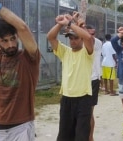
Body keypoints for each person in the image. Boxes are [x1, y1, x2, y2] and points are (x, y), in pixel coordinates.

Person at [0, 1, 41, 141]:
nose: (11, 44)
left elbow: (23, 27)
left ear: (17, 36)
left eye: (13, 38)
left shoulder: (29, 57)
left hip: (22, 127)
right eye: (5, 41)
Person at [47, 12, 94, 141]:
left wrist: (70, 23)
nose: (73, 41)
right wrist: (60, 24)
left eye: (76, 38)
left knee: (81, 135)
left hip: (83, 99)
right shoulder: (65, 52)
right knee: (64, 135)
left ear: (81, 39)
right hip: (67, 99)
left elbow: (88, 38)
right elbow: (51, 37)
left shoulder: (87, 53)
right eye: (71, 38)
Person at [85, 24, 102, 141]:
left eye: (92, 33)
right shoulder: (81, 43)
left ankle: (90, 138)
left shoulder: (97, 43)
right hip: (82, 80)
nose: (90, 36)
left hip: (93, 80)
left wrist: (78, 25)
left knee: (89, 112)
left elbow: (89, 39)